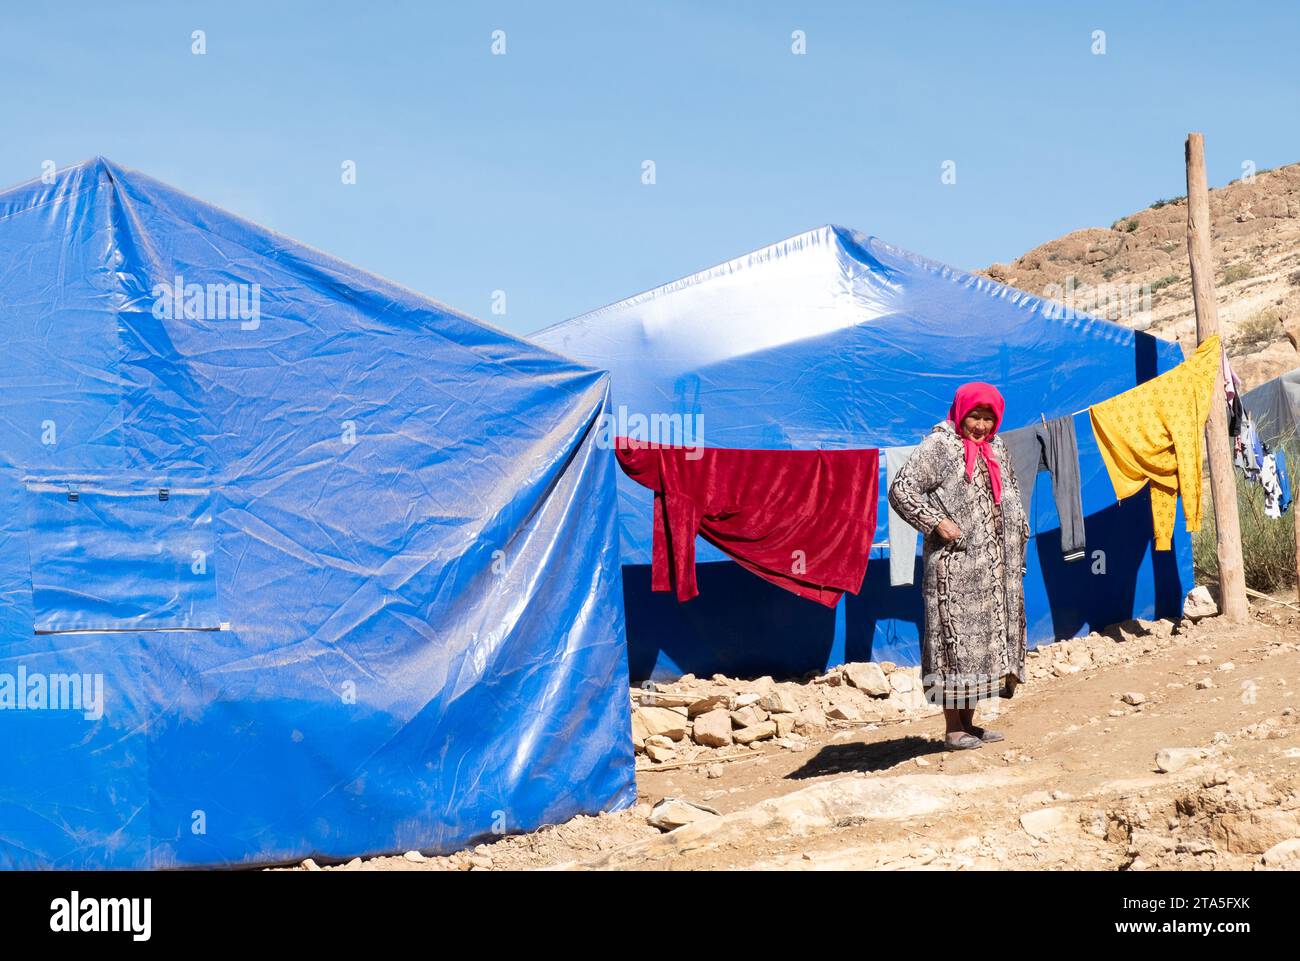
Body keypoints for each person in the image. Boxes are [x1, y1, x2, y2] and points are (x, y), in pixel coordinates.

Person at [887, 382, 1031, 750]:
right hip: (955, 570)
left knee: (982, 649)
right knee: (955, 647)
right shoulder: (940, 445)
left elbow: (1011, 492)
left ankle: (970, 724)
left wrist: (1018, 544)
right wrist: (936, 521)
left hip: (994, 570)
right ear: (960, 412)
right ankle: (953, 729)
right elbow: (902, 489)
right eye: (974, 417)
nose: (981, 426)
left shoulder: (996, 446)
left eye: (988, 418)